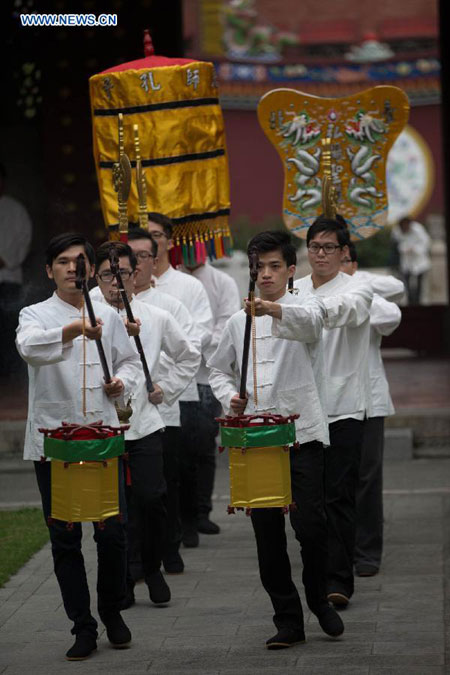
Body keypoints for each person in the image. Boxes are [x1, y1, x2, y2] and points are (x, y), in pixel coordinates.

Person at [208, 230, 344, 649]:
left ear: (290, 270)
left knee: (311, 525)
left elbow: (310, 325)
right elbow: (217, 369)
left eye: (272, 267)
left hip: (301, 433)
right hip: (255, 438)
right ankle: (287, 618)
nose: (264, 274)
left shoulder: (306, 306)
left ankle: (318, 598)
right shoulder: (236, 322)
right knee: (267, 534)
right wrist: (229, 396)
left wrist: (269, 310)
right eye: (257, 268)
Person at [16, 233, 141, 661]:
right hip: (56, 444)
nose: (73, 268)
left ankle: (112, 611)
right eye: (64, 262)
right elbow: (29, 349)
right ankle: (82, 625)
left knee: (113, 533)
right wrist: (74, 329)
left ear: (90, 268)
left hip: (104, 437)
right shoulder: (34, 314)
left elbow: (130, 362)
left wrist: (122, 383)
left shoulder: (108, 312)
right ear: (48, 270)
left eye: (80, 261)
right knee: (65, 538)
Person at [94, 241, 200, 608]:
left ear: (135, 274)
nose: (115, 283)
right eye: (108, 275)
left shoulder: (154, 317)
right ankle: (124, 574)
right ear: (96, 276)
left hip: (143, 423)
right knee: (113, 510)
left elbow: (189, 356)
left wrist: (165, 389)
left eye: (122, 273)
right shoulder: (84, 317)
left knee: (152, 498)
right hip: (101, 429)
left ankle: (152, 565)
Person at [291, 217, 373, 608]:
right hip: (302, 409)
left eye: (328, 247)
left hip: (343, 407)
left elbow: (344, 311)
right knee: (308, 499)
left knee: (338, 495)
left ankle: (339, 578)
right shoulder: (293, 290)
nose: (320, 254)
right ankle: (316, 572)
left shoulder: (357, 288)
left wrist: (293, 311)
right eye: (314, 246)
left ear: (344, 253)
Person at [125, 228, 201, 574]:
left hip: (161, 408)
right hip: (118, 415)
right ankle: (135, 558)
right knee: (128, 493)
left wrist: (163, 386)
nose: (136, 263)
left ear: (155, 260)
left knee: (162, 486)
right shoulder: (99, 303)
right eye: (129, 257)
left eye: (143, 256)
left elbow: (189, 350)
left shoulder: (169, 305)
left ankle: (167, 548)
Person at [143, 214, 214, 549]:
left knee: (183, 462)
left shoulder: (188, 286)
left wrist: (166, 356)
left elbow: (199, 333)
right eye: (146, 237)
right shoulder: (124, 288)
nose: (152, 243)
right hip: (140, 390)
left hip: (180, 386)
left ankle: (187, 522)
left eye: (157, 235)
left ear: (169, 242)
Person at [341, 243, 403, 576]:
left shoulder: (364, 291)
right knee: (335, 480)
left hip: (368, 400)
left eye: (337, 253)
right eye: (317, 249)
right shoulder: (309, 291)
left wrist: (356, 284)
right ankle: (340, 547)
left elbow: (391, 312)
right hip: (329, 403)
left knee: (367, 478)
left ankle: (366, 551)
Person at [180, 259, 241, 535]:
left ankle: (201, 509)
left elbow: (225, 325)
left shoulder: (222, 282)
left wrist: (194, 346)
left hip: (206, 373)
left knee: (203, 440)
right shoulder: (169, 279)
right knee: (175, 446)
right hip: (174, 372)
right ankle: (182, 513)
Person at [0, 162, 33, 375]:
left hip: (8, 281)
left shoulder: (14, 210)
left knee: (6, 332)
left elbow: (18, 246)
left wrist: (6, 259)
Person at [391, 216, 430, 304]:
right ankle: (410, 301)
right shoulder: (396, 231)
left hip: (419, 260)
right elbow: (396, 245)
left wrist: (415, 249)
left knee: (419, 283)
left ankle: (418, 301)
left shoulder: (418, 229)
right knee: (406, 282)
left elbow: (426, 242)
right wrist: (404, 249)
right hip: (406, 260)